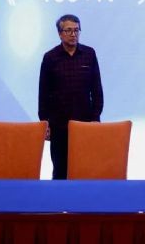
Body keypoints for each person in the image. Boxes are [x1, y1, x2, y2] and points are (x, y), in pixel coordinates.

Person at [38, 14, 104, 179]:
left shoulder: (89, 54)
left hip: (85, 124)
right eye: (68, 30)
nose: (73, 34)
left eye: (76, 30)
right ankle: (59, 197)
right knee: (60, 171)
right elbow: (43, 93)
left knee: (86, 169)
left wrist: (96, 118)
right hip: (58, 125)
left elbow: (96, 89)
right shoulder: (50, 57)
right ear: (60, 34)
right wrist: (45, 122)